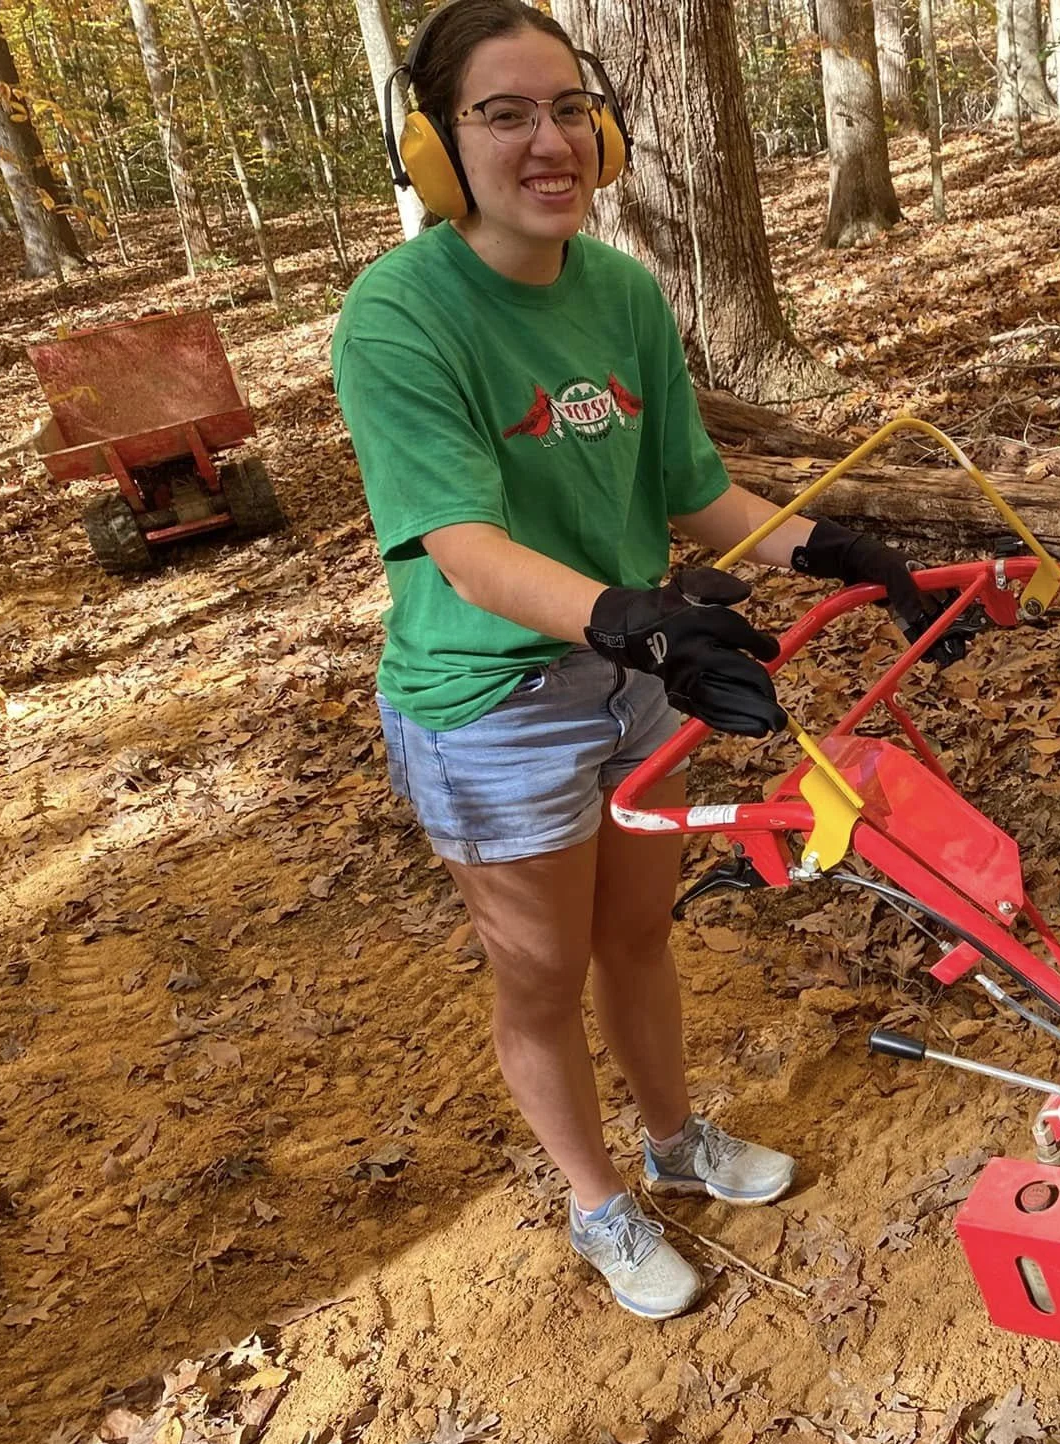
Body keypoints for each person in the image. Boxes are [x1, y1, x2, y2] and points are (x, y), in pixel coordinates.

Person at [330, 0, 954, 1320]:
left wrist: (832, 545)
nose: (547, 139)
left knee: (638, 936)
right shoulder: (398, 317)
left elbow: (697, 495)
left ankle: (675, 1141)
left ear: (604, 128)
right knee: (542, 974)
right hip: (491, 703)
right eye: (504, 114)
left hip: (628, 675)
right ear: (436, 149)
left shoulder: (619, 292)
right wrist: (639, 617)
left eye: (568, 107)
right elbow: (470, 555)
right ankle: (599, 1204)